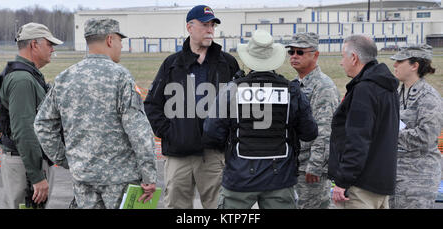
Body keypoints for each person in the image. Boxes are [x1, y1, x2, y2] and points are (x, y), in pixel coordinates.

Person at [33, 18, 157, 209]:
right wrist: (149, 174)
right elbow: (139, 130)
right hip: (120, 180)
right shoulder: (121, 77)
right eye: (119, 40)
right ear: (109, 40)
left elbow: (42, 124)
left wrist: (65, 158)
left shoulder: (65, 78)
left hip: (83, 179)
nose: (121, 46)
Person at [203, 29, 318, 209]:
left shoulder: (232, 90)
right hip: (280, 178)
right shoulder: (292, 91)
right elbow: (309, 132)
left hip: (239, 178)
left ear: (249, 58)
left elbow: (211, 132)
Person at [144, 5, 240, 209]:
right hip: (179, 156)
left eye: (212, 25)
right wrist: (170, 133)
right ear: (189, 27)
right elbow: (152, 104)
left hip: (214, 156)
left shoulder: (228, 64)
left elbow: (239, 107)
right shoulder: (172, 64)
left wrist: (226, 135)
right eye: (205, 25)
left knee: (220, 208)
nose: (210, 30)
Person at [0, 22, 63, 209]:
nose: (52, 49)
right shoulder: (22, 80)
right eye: (49, 44)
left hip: (26, 161)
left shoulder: (27, 75)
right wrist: (36, 176)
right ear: (34, 45)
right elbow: (24, 130)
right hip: (25, 164)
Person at [328, 34, 400, 209]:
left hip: (360, 187)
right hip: (381, 182)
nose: (340, 62)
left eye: (342, 56)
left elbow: (357, 139)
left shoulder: (364, 89)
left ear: (354, 58)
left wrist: (343, 181)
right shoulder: (386, 87)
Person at [285, 32, 340, 209]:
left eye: (300, 52)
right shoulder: (294, 84)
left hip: (310, 167)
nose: (294, 56)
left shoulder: (323, 86)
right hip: (295, 164)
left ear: (315, 55)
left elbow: (324, 129)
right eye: (291, 52)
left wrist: (315, 165)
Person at [389, 44, 442, 209]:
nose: (395, 65)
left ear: (414, 65)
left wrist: (389, 132)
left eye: (400, 61)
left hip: (419, 179)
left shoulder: (429, 98)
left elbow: (425, 137)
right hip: (395, 174)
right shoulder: (397, 93)